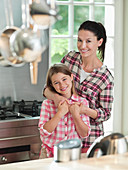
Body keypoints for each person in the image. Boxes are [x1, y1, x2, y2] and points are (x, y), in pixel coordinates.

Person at [43, 20, 114, 150]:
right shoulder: (70, 59)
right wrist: (57, 98)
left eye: (88, 41)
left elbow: (105, 113)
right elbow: (47, 89)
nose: (82, 46)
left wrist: (83, 110)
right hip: (62, 137)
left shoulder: (105, 77)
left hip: (89, 139)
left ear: (99, 42)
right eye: (80, 40)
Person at [39, 63, 90, 158]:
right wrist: (60, 113)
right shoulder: (47, 104)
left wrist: (76, 115)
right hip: (48, 154)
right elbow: (44, 132)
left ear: (71, 77)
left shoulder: (82, 103)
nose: (62, 85)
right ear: (52, 85)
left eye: (64, 79)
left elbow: (84, 134)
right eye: (56, 83)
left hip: (72, 154)